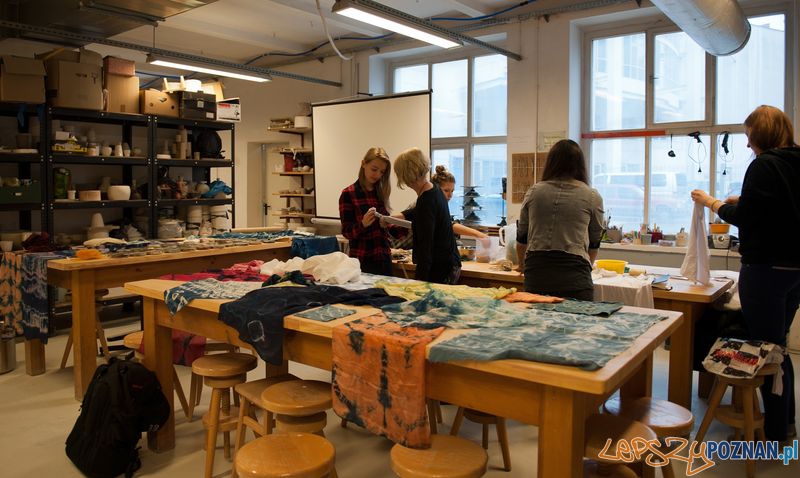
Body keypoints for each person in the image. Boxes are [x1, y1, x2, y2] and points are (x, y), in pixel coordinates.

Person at [691, 104, 799, 442]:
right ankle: (786, 422)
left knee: (766, 350)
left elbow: (746, 219)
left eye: (750, 137)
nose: (748, 144)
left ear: (761, 136)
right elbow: (780, 208)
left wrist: (712, 202)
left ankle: (774, 431)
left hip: (765, 270)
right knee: (779, 346)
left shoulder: (763, 164)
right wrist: (743, 200)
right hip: (795, 270)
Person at [515, 139, 604, 301]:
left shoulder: (534, 191)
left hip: (537, 272)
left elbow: (521, 238)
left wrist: (522, 265)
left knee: (536, 317)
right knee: (578, 317)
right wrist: (587, 266)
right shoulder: (591, 196)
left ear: (551, 163)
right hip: (574, 275)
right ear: (580, 165)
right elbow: (594, 242)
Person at [393, 148, 460, 283]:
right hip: (449, 263)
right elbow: (417, 211)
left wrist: (419, 282)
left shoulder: (426, 200)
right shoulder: (434, 190)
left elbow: (426, 247)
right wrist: (393, 218)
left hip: (439, 268)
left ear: (406, 175)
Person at [392, 165, 489, 248]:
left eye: (452, 191)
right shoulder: (425, 203)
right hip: (402, 247)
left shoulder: (439, 204)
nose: (450, 195)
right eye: (446, 190)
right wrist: (478, 234)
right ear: (436, 189)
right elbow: (450, 225)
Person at [339, 147, 394, 276]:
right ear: (363, 164)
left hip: (384, 258)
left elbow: (389, 229)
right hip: (362, 260)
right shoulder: (348, 194)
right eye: (374, 169)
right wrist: (362, 224)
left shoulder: (381, 192)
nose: (377, 175)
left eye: (382, 172)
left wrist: (391, 223)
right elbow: (346, 232)